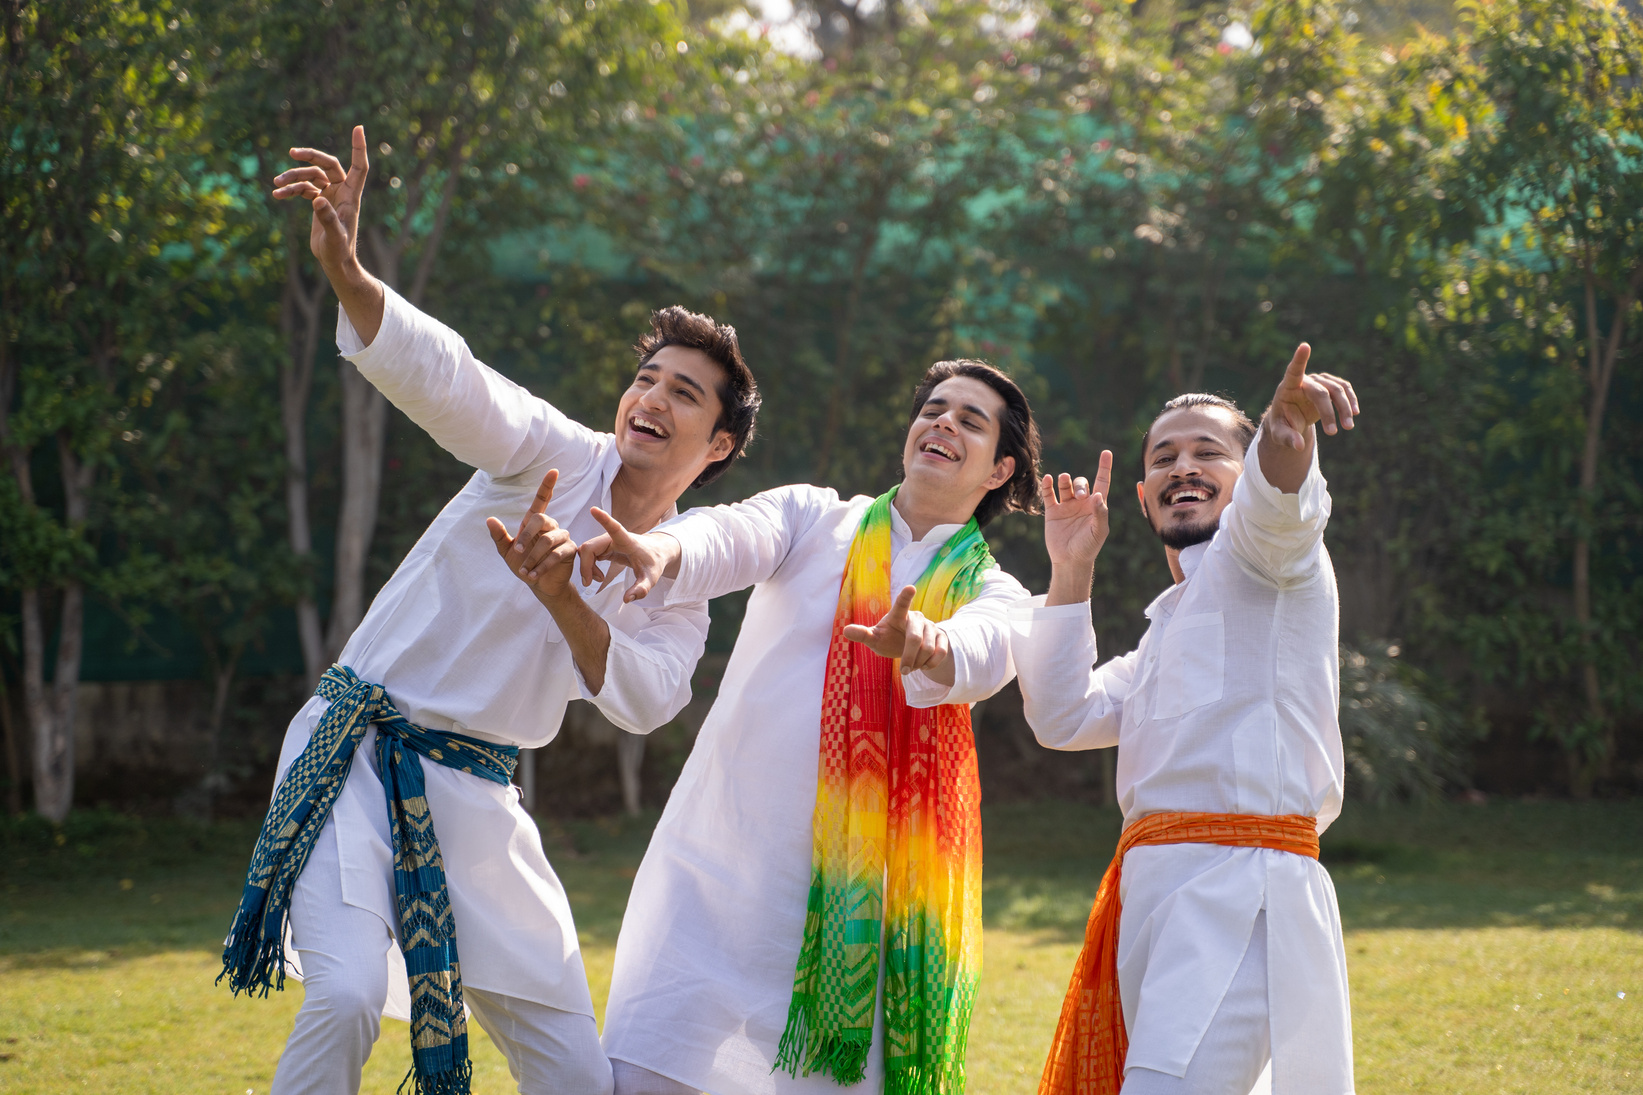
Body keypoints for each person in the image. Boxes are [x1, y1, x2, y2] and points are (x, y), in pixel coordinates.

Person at [219, 126, 760, 1095]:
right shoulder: (544, 450)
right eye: (646, 378)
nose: (651, 399)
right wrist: (351, 278)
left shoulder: (677, 575)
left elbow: (646, 698)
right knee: (342, 998)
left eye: (684, 394)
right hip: (356, 758)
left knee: (576, 1080)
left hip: (482, 801)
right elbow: (454, 381)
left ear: (717, 445)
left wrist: (565, 600)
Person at [573, 360, 1042, 1095]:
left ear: (998, 470)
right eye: (933, 408)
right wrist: (661, 548)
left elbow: (984, 649)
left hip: (860, 923)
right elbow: (726, 534)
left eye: (969, 420)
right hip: (715, 877)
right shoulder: (813, 517)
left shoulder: (996, 592)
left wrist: (924, 641)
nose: (941, 422)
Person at [1013, 345, 1360, 1095]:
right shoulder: (1162, 631)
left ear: (1246, 479)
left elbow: (1280, 501)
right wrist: (1070, 567)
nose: (1182, 466)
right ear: (1141, 498)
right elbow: (1060, 714)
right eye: (1163, 456)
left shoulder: (1270, 558)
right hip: (1155, 905)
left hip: (1239, 895)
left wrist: (1282, 429)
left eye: (1209, 451)